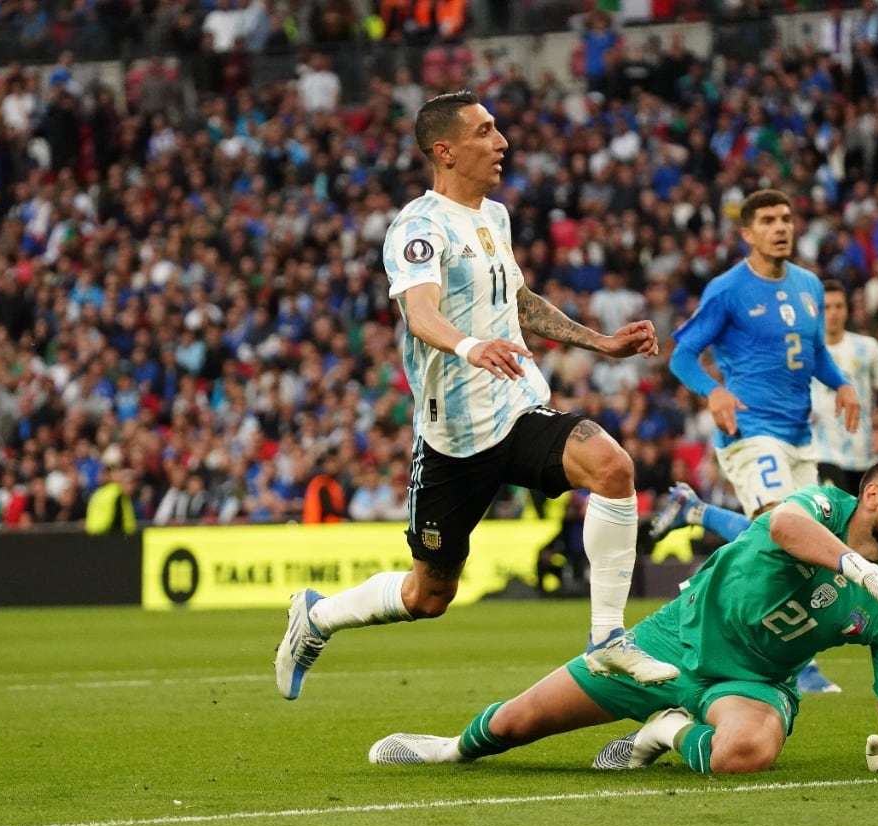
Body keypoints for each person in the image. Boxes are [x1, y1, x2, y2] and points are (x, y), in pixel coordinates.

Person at [274, 91, 677, 700]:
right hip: (452, 436)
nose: (502, 142)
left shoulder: (495, 217)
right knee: (428, 596)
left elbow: (516, 302)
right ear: (445, 150)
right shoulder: (417, 226)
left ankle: (607, 640)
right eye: (485, 131)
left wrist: (600, 342)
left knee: (612, 465)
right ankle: (317, 616)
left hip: (514, 408)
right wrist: (469, 347)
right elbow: (420, 313)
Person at [368, 456, 878, 776]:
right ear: (870, 497)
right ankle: (448, 747)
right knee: (514, 725)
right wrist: (862, 571)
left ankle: (665, 729)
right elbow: (785, 527)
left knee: (746, 754)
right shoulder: (821, 506)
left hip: (752, 683)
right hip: (665, 644)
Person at [650, 189, 861, 695]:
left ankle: (694, 510)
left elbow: (814, 355)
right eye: (768, 220)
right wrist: (713, 390)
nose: (780, 227)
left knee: (809, 543)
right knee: (783, 531)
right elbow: (682, 355)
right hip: (749, 431)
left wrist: (842, 383)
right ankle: (796, 665)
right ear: (747, 233)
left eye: (786, 217)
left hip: (799, 438)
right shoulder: (728, 290)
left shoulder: (809, 285)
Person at [811, 279, 878, 496]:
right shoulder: (806, 351)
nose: (833, 313)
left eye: (838, 306)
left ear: (847, 310)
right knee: (834, 515)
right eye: (827, 307)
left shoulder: (866, 347)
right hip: (820, 451)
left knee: (858, 519)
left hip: (861, 450)